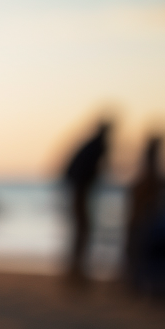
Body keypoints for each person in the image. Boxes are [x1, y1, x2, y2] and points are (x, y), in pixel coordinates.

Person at [62, 120, 111, 282]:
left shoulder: (91, 144)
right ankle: (76, 271)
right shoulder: (98, 145)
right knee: (83, 230)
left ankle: (75, 270)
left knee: (81, 230)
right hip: (80, 190)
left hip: (79, 190)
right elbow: (96, 170)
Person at [125, 135, 165, 295]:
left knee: (140, 250)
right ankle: (135, 284)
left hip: (144, 218)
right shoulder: (150, 174)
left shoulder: (149, 173)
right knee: (139, 250)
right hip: (144, 218)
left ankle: (136, 283)